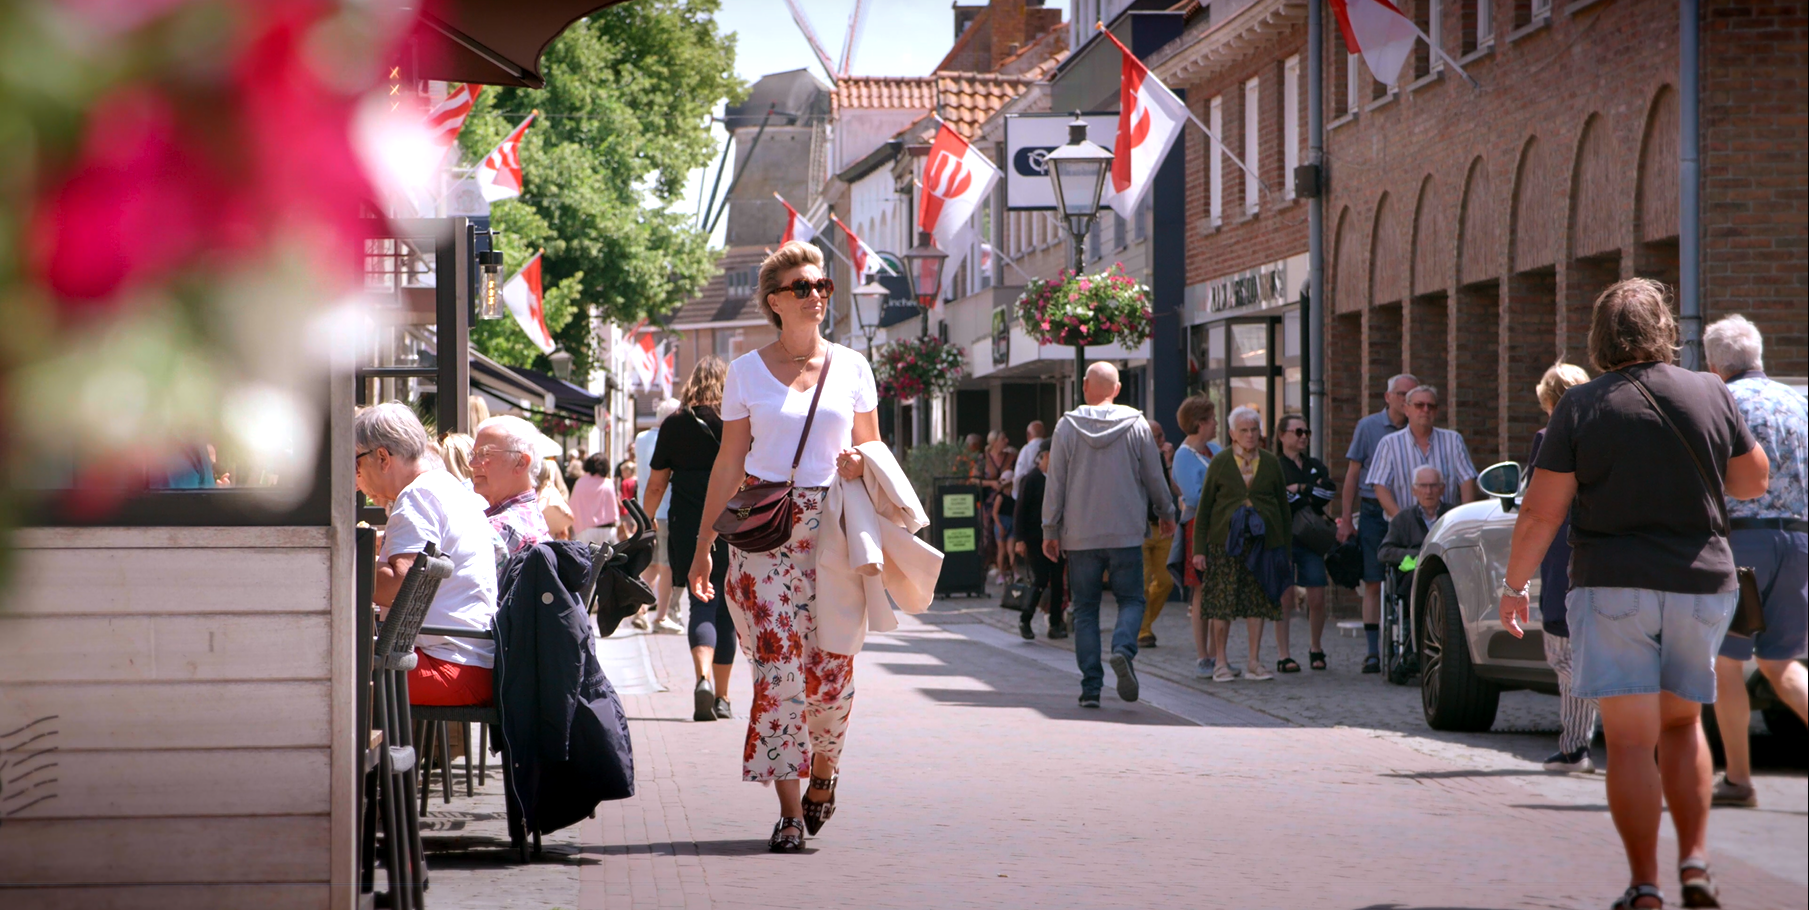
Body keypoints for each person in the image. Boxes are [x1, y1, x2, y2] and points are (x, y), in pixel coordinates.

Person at [1496, 278, 1770, 910]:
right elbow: (1753, 481)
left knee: (1626, 741)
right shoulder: (1709, 390)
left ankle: (1645, 885)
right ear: (1664, 329)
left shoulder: (1582, 406)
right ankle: (1696, 863)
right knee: (1682, 724)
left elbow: (1540, 513)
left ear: (1599, 338)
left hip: (1613, 583)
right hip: (1701, 583)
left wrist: (1515, 586)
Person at [686, 240, 880, 853]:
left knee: (832, 674)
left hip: (833, 532)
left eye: (823, 285)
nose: (817, 294)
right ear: (775, 301)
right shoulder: (744, 372)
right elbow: (729, 460)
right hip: (766, 533)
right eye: (803, 287)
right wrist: (703, 544)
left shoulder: (853, 367)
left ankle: (826, 767)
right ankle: (790, 812)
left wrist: (856, 462)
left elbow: (872, 451)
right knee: (777, 673)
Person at [1702, 314, 1807, 809]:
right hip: (1801, 543)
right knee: (1781, 663)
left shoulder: (1724, 403)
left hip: (1745, 546)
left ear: (1715, 364)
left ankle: (1739, 780)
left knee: (1727, 662)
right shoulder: (1799, 401)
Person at [1042, 361, 1176, 708]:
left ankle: (1090, 689)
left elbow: (1055, 483)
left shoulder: (1066, 427)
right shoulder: (1136, 425)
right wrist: (1166, 512)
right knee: (1131, 600)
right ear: (1116, 390)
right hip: (1126, 533)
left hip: (1080, 535)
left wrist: (1050, 529)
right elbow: (1154, 475)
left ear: (1085, 385)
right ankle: (1122, 648)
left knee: (1085, 609)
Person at [357, 403, 499, 706]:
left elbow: (396, 588)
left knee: (334, 674)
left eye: (355, 462)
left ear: (382, 457)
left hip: (449, 667)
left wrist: (340, 563)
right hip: (473, 662)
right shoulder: (444, 485)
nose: (354, 473)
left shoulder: (417, 496)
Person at [643, 357, 738, 721]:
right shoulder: (737, 422)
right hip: (733, 522)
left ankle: (702, 678)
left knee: (700, 602)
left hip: (687, 525)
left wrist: (645, 520)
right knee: (727, 608)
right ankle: (724, 697)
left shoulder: (675, 424)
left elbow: (656, 482)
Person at [1364, 383, 1478, 671]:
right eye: (1419, 405)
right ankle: (1409, 645)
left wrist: (1463, 519)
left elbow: (1467, 480)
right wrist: (1405, 519)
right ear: (1406, 409)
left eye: (1431, 406)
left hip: (1446, 530)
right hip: (1408, 541)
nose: (1425, 410)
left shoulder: (1452, 441)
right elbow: (1380, 485)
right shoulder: (1390, 444)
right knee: (1407, 575)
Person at [1525, 360, 1598, 774]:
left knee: (1562, 651)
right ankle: (1577, 744)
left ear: (1550, 400)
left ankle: (1574, 746)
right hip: (1604, 553)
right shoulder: (1607, 434)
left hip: (1562, 555)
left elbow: (1538, 503)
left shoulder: (1548, 436)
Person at [1192, 406, 1290, 683]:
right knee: (1221, 602)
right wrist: (1199, 549)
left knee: (1257, 601)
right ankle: (1220, 661)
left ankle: (1254, 662)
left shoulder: (1271, 463)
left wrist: (1285, 551)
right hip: (1224, 543)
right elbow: (1205, 508)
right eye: (1244, 430)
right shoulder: (1221, 462)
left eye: (1254, 430)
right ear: (1232, 433)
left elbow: (1283, 510)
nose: (1249, 435)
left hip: (1263, 543)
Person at [1339, 373, 1417, 673]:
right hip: (1374, 512)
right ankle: (1373, 651)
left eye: (1410, 395)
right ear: (1388, 397)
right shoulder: (1368, 427)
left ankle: (1409, 638)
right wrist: (1347, 518)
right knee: (1374, 579)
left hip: (1408, 516)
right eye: (1400, 394)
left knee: (1408, 568)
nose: (1405, 400)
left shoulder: (1418, 428)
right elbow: (1352, 475)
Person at [1274, 412, 1335, 672]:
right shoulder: (1274, 465)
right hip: (1284, 535)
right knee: (1285, 597)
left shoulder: (1315, 465)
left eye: (1306, 432)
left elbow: (1328, 492)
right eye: (1298, 432)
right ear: (1282, 436)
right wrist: (1309, 492)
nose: (1304, 437)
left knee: (1317, 595)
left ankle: (1316, 647)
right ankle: (1283, 654)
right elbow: (1277, 497)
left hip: (1311, 537)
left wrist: (1299, 489)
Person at [1171, 395, 1224, 677]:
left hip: (1222, 526)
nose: (1216, 423)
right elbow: (1192, 495)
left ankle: (1219, 655)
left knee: (1218, 589)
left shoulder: (1214, 449)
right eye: (1213, 418)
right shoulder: (1183, 455)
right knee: (1202, 589)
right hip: (1197, 526)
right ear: (1200, 422)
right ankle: (1204, 656)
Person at [470, 415, 551, 556]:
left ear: (521, 463)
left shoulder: (501, 529)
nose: (472, 464)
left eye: (485, 453)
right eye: (473, 454)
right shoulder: (529, 516)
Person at [636, 398, 684, 636]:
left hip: (645, 509)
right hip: (666, 509)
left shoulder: (640, 439)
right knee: (667, 567)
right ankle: (661, 616)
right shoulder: (673, 440)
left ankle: (640, 610)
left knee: (652, 564)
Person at [1012, 445, 1067, 640]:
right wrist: (1019, 539)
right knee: (1040, 579)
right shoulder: (1032, 478)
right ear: (1044, 456)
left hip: (1057, 537)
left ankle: (1055, 623)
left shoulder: (1059, 478)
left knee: (1059, 581)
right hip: (1035, 538)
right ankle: (1025, 619)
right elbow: (1019, 511)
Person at [1377, 465, 1450, 567]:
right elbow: (1384, 552)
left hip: (1447, 573)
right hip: (1413, 575)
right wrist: (1419, 554)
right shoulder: (1403, 519)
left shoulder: (1453, 515)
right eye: (1423, 486)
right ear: (1413, 490)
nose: (1428, 491)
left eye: (1433, 485)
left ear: (1442, 489)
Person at [569, 454, 621, 547]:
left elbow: (572, 506)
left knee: (587, 559)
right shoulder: (608, 483)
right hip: (607, 529)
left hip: (585, 530)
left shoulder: (580, 482)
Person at [537, 456, 575, 541]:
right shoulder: (550, 466)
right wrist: (562, 525)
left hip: (532, 523)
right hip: (552, 521)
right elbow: (563, 493)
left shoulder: (521, 465)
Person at [1012, 420, 1047, 501]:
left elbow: (1019, 475)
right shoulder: (1050, 448)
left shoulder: (1026, 450)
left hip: (1030, 493)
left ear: (1028, 434)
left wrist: (1017, 495)